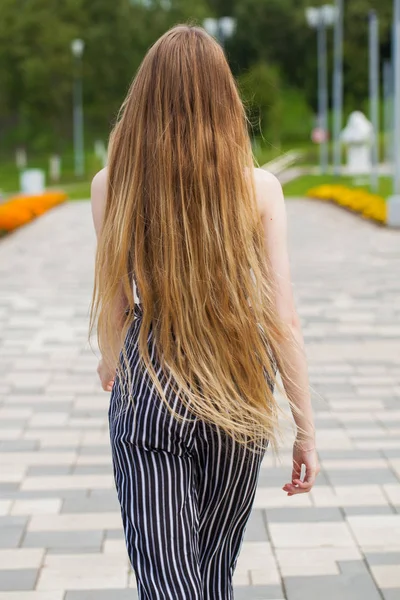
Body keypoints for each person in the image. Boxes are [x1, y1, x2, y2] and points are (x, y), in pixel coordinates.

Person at [89, 23, 319, 600]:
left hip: (150, 385)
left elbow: (115, 309)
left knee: (170, 585)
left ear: (143, 98)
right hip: (239, 386)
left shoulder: (110, 185)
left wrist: (111, 364)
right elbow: (282, 321)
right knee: (210, 581)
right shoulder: (259, 190)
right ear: (226, 101)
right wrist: (305, 433)